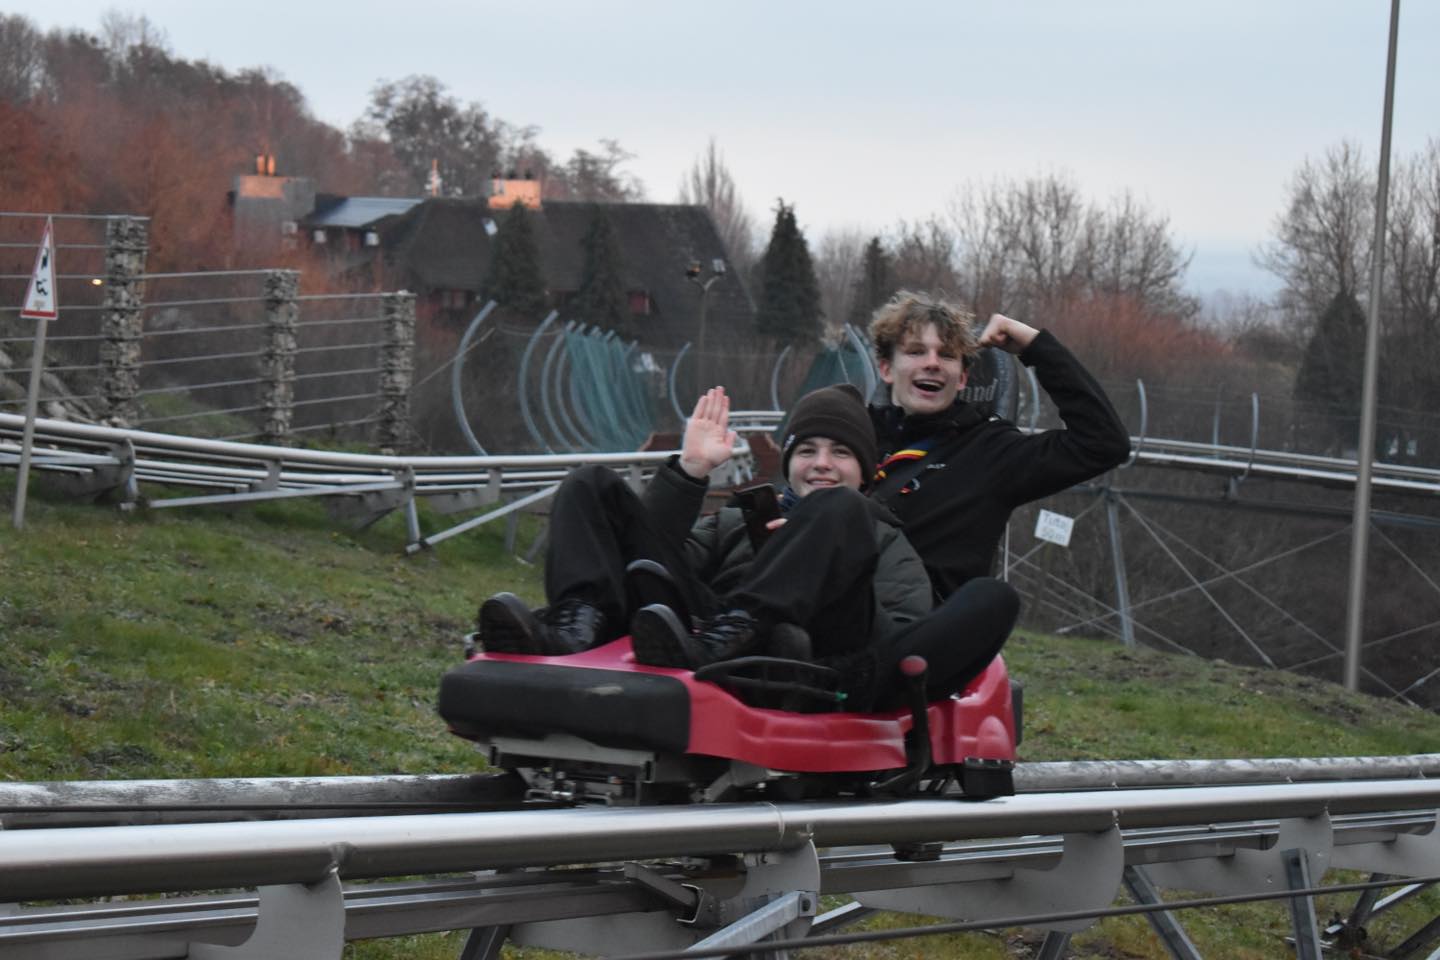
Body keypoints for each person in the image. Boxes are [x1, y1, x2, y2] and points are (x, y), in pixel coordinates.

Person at [478, 385, 935, 689]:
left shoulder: (884, 539)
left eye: (841, 452)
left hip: (795, 649)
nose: (821, 463)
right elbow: (654, 563)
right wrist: (690, 471)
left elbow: (897, 636)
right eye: (807, 450)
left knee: (838, 508)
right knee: (589, 483)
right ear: (789, 461)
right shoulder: (736, 521)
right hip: (702, 630)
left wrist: (812, 564)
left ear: (866, 470)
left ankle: (736, 634)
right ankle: (576, 625)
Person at [867, 290, 1132, 598]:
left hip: (928, 625)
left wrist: (1034, 347)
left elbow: (1104, 443)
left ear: (963, 378)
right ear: (886, 369)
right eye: (916, 351)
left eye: (947, 355)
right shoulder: (850, 437)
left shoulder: (990, 451)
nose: (932, 363)